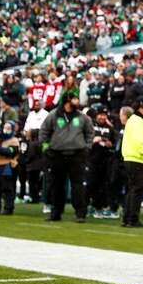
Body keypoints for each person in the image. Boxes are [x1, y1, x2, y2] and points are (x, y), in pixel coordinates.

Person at [39, 91, 94, 223]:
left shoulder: (82, 117)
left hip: (77, 155)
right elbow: (44, 131)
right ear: (67, 101)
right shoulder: (53, 115)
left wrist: (87, 147)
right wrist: (46, 148)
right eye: (74, 99)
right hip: (57, 154)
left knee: (78, 186)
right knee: (57, 185)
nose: (77, 101)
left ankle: (80, 213)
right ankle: (56, 213)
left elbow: (90, 132)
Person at [121, 97, 143, 228]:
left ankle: (127, 218)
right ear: (138, 108)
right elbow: (139, 141)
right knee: (136, 190)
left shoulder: (133, 120)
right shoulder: (138, 121)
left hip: (131, 158)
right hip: (137, 159)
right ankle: (133, 219)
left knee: (131, 189)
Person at [89, 106, 117, 219]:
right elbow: (84, 141)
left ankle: (99, 207)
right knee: (91, 184)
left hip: (106, 161)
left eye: (104, 115)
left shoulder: (110, 129)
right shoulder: (91, 127)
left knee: (103, 185)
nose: (102, 117)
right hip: (91, 160)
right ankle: (92, 206)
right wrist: (93, 141)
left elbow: (115, 145)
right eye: (100, 114)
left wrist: (111, 145)